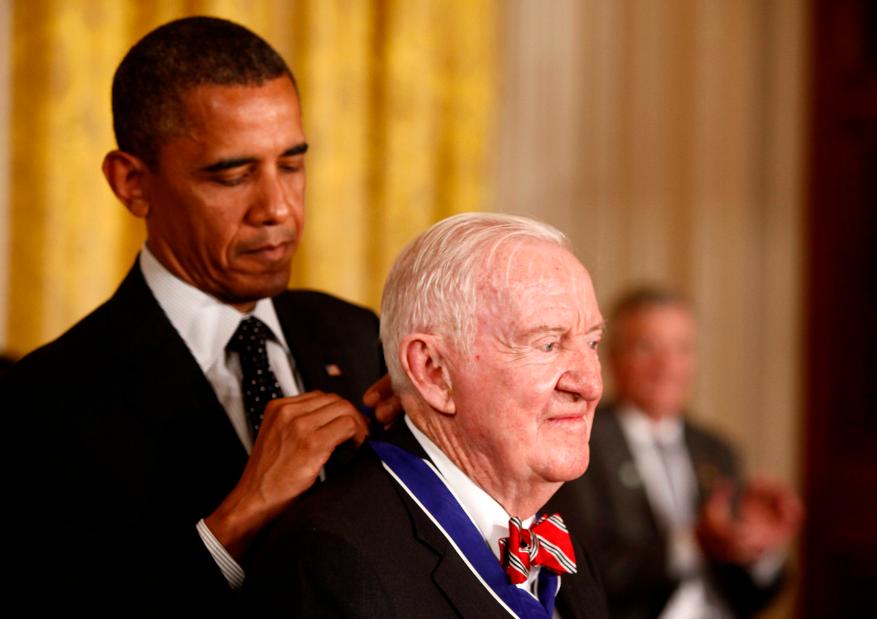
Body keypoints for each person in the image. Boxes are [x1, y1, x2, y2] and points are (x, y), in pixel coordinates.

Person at [3, 17, 389, 615]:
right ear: (132, 183)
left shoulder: (361, 335)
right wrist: (242, 515)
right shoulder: (42, 403)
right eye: (233, 175)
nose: (278, 208)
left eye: (292, 164)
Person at [244, 213, 609, 618]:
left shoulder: (565, 544)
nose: (591, 385)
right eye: (547, 345)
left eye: (592, 342)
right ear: (433, 372)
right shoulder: (334, 564)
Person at [548, 287, 804, 619]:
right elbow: (580, 575)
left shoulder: (717, 450)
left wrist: (757, 547)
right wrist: (693, 543)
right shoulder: (581, 443)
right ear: (611, 358)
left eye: (681, 349)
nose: (667, 366)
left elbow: (749, 598)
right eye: (647, 348)